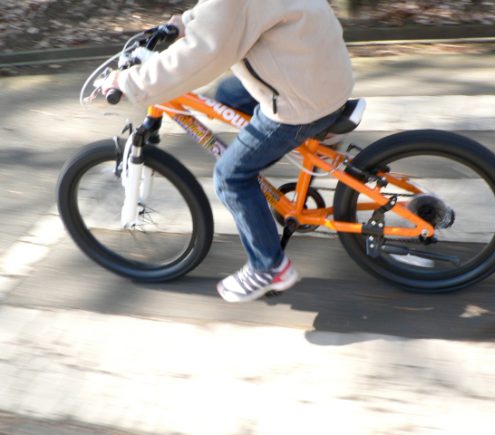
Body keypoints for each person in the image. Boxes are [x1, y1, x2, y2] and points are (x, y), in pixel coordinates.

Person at [103, 0, 354, 303]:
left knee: (231, 176)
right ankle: (317, 135)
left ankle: (269, 268)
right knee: (228, 96)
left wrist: (131, 81)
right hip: (320, 70)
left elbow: (201, 55)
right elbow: (223, 15)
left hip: (303, 99)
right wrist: (186, 23)